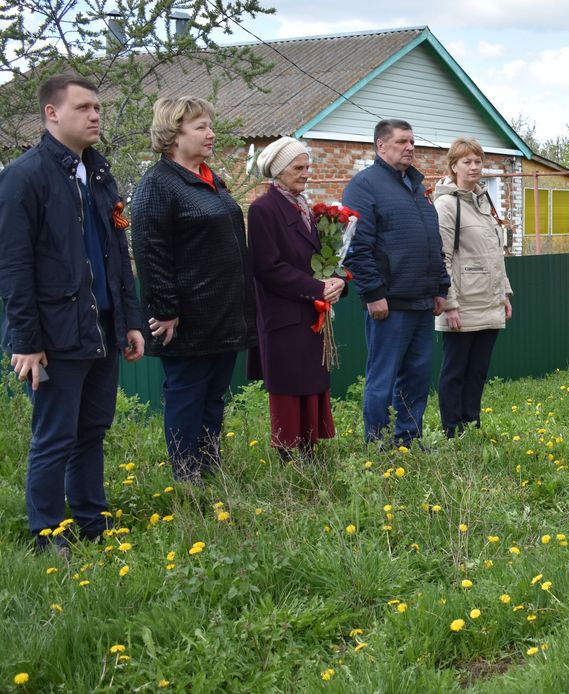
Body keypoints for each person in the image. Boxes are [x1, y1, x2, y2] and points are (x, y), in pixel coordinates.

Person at [0, 75, 144, 551]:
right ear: (51, 113)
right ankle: (47, 534)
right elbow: (14, 266)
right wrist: (26, 340)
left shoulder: (100, 175)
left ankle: (91, 521)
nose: (95, 115)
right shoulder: (25, 177)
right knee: (55, 435)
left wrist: (129, 322)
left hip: (101, 326)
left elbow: (118, 252)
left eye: (98, 107)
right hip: (55, 333)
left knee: (93, 430)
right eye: (83, 107)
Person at [130, 96, 256, 482]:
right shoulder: (158, 185)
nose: (211, 133)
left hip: (222, 312)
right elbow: (151, 253)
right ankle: (186, 476)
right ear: (173, 134)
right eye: (200, 127)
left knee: (214, 396)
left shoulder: (209, 179)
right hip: (187, 319)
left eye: (210, 125)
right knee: (187, 396)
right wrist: (166, 310)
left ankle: (209, 468)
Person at [342, 119, 450, 449]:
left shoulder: (416, 187)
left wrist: (440, 287)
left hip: (421, 299)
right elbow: (356, 246)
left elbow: (433, 241)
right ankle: (377, 442)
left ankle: (408, 438)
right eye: (402, 141)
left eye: (412, 141)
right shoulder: (365, 186)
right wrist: (373, 293)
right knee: (382, 377)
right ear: (381, 146)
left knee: (416, 376)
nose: (410, 147)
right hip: (389, 302)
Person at [245, 137, 346, 461]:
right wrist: (316, 288)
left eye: (307, 167)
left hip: (308, 312)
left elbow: (316, 256)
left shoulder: (303, 206)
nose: (306, 174)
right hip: (284, 313)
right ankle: (288, 451)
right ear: (278, 170)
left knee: (311, 377)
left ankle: (309, 447)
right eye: (298, 168)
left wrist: (334, 282)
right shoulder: (264, 209)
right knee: (290, 383)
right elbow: (267, 267)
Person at [431, 138, 513, 439]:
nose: (475, 166)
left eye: (478, 160)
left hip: (488, 301)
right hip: (463, 303)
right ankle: (452, 430)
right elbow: (442, 256)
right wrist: (450, 304)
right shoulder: (446, 204)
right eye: (467, 161)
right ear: (454, 166)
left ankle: (471, 425)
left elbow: (494, 253)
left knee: (477, 370)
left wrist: (503, 293)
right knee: (455, 371)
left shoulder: (483, 201)